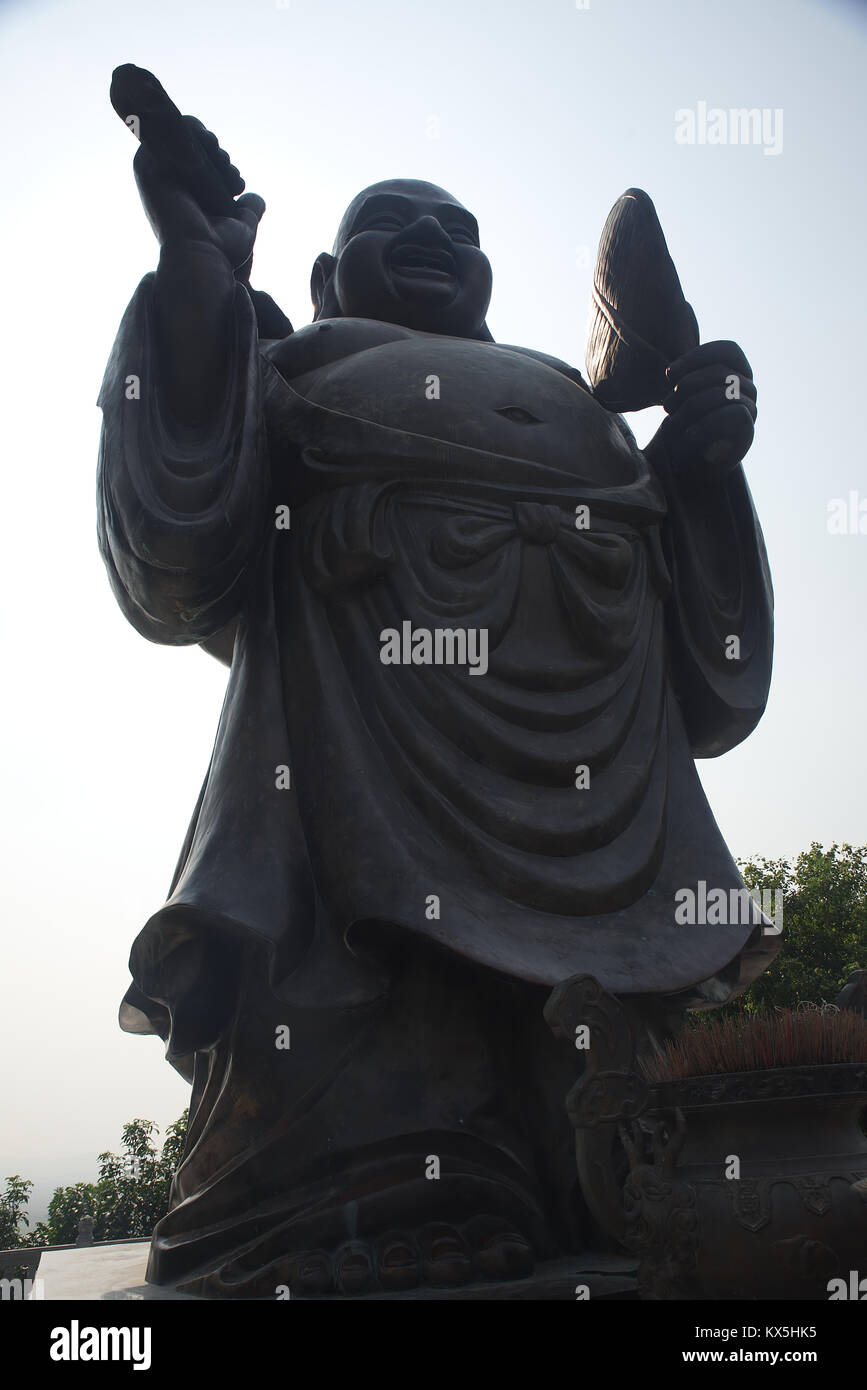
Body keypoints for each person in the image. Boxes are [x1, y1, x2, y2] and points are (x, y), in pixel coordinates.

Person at [97, 133, 775, 1296]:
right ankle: (363, 1191)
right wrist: (199, 272)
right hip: (363, 729)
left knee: (609, 1060)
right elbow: (179, 553)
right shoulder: (291, 357)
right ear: (321, 277)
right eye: (392, 221)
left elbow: (710, 681)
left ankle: (602, 1161)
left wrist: (701, 470)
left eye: (460, 231)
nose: (430, 240)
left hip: (595, 743)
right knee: (378, 1008)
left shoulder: (567, 389)